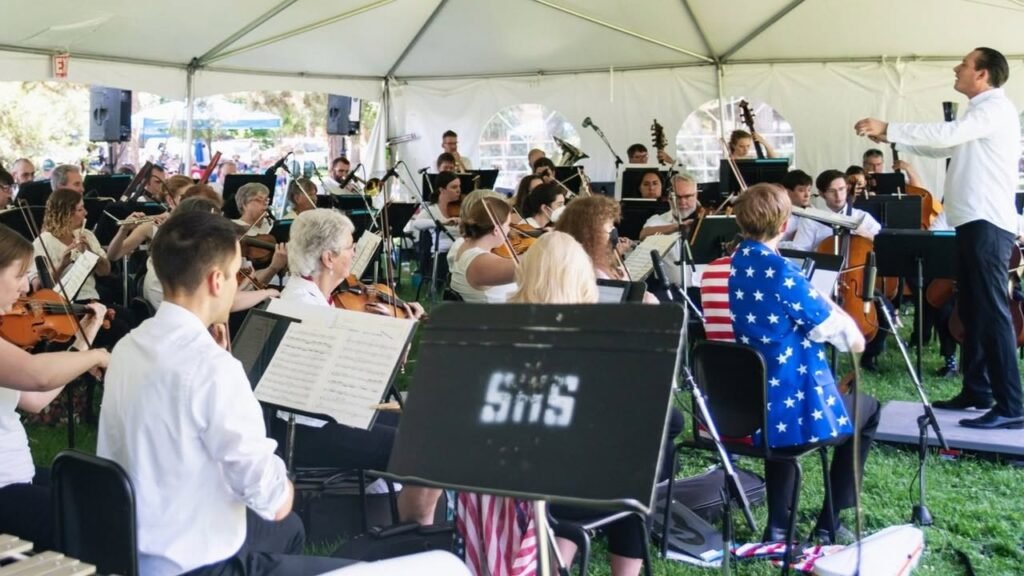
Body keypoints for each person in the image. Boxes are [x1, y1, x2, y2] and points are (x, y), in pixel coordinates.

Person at [98, 211, 353, 575]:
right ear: (217, 280)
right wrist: (286, 485)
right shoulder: (212, 368)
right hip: (196, 560)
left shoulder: (128, 345)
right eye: (236, 275)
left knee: (289, 530)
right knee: (291, 523)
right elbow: (272, 498)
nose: (238, 284)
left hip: (132, 544)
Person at [699, 183, 879, 544]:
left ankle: (780, 525)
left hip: (727, 412)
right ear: (785, 226)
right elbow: (852, 339)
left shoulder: (712, 273)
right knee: (868, 408)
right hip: (781, 416)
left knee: (771, 389)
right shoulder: (784, 275)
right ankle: (830, 522)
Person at [856, 47, 1024, 429]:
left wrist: (890, 127)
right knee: (976, 311)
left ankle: (1012, 406)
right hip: (970, 223)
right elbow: (947, 142)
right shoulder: (981, 114)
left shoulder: (994, 109)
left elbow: (949, 134)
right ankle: (978, 391)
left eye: (964, 65)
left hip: (986, 224)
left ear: (982, 75)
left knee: (993, 312)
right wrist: (896, 140)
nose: (956, 68)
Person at [272, 209, 436, 525]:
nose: (355, 252)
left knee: (423, 426)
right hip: (311, 427)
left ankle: (391, 504)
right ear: (329, 258)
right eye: (350, 246)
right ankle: (414, 530)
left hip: (328, 414)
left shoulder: (311, 295)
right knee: (423, 447)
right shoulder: (305, 306)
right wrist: (399, 334)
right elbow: (361, 380)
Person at [0, 224, 109, 551]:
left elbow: (34, 398)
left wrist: (81, 345)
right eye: (18, 275)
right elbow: (38, 375)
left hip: (15, 477)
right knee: (91, 527)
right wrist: (98, 354)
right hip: (4, 488)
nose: (24, 287)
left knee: (106, 499)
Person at [556, 195, 658, 303]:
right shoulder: (584, 271)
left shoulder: (607, 262)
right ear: (588, 232)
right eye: (609, 226)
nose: (613, 232)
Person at [33, 189, 112, 303]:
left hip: (91, 299)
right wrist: (61, 265)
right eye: (80, 209)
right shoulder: (43, 241)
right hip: (61, 304)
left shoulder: (87, 235)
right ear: (64, 214)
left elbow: (105, 271)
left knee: (126, 317)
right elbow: (37, 287)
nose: (86, 213)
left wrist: (90, 253)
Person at [791, 170, 881, 252]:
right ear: (821, 194)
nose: (838, 195)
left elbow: (884, 245)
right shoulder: (810, 220)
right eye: (831, 191)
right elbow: (799, 251)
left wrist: (867, 234)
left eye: (841, 189)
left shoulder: (863, 217)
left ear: (847, 189)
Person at [448, 196, 518, 302]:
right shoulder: (478, 261)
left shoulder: (462, 244)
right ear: (496, 230)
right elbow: (527, 266)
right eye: (508, 225)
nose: (509, 229)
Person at [779, 169, 813, 246]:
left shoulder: (813, 212)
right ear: (787, 192)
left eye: (809, 190)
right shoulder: (780, 215)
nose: (807, 195)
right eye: (801, 190)